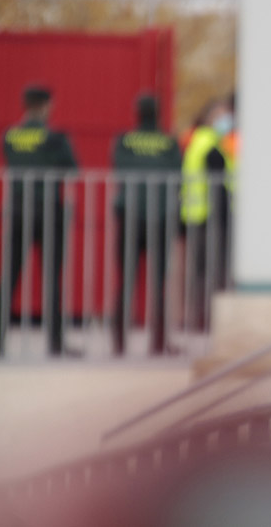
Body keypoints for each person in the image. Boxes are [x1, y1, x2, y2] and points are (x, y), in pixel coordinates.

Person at [0, 85, 77, 357]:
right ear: (44, 106)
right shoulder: (55, 138)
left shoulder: (11, 136)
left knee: (9, 274)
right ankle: (55, 342)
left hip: (18, 208)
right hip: (48, 209)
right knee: (51, 277)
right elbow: (72, 168)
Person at [112, 95, 182, 355]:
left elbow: (118, 169)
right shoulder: (169, 143)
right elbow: (178, 174)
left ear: (138, 113)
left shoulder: (125, 141)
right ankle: (159, 342)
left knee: (126, 279)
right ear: (158, 113)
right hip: (161, 216)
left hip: (130, 215)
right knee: (159, 281)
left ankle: (119, 342)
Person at [180, 96, 235, 330]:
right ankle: (207, 321)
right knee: (212, 272)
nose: (227, 120)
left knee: (201, 272)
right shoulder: (209, 144)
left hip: (198, 216)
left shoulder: (202, 141)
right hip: (209, 217)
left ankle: (199, 320)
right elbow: (218, 185)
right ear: (211, 117)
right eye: (222, 115)